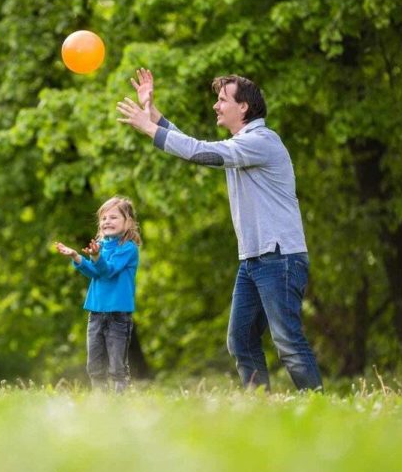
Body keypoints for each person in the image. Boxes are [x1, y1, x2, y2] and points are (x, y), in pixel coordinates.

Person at [116, 69, 322, 391]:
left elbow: (202, 152)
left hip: (279, 258)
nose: (216, 106)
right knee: (240, 341)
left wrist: (149, 128)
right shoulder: (242, 143)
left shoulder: (261, 142)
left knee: (288, 343)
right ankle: (259, 408)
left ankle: (317, 405)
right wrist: (152, 112)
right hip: (254, 260)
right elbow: (197, 146)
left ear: (243, 108)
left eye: (222, 100)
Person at [55, 196, 141, 392]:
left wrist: (95, 257)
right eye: (103, 218)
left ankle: (119, 399)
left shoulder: (128, 248)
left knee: (117, 365)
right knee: (94, 363)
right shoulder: (100, 246)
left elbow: (108, 270)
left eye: (113, 217)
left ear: (128, 222)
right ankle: (99, 400)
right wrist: (77, 257)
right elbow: (95, 273)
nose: (107, 221)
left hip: (118, 314)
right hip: (95, 312)